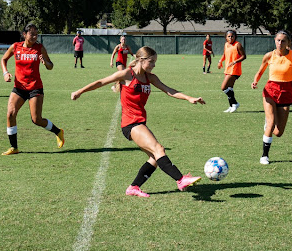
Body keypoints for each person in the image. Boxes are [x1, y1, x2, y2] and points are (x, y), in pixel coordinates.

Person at [71, 46, 204, 197]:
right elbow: (101, 82)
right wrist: (79, 91)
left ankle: (133, 187)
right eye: (152, 62)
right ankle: (180, 180)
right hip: (131, 123)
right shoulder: (127, 74)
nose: (154, 65)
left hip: (139, 121)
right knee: (158, 149)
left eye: (155, 62)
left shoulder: (150, 77)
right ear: (141, 60)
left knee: (155, 158)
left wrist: (189, 98)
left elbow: (169, 90)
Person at [0, 23, 65, 155]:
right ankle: (14, 147)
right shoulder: (16, 47)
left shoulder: (39, 48)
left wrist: (45, 62)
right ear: (24, 34)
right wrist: (5, 73)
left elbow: (50, 66)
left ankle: (58, 132)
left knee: (36, 120)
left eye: (36, 34)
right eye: (32, 33)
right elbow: (4, 59)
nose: (35, 36)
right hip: (19, 87)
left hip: (35, 88)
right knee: (10, 114)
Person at [251, 31, 292, 165]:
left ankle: (268, 127)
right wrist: (255, 81)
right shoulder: (269, 56)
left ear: (288, 43)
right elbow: (260, 71)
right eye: (278, 40)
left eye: (283, 41)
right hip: (270, 91)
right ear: (274, 41)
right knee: (270, 123)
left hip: (286, 92)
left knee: (278, 132)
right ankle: (264, 156)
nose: (280, 43)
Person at [217, 30, 246, 112]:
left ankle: (235, 103)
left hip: (235, 70)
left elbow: (244, 56)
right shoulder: (226, 45)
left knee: (223, 87)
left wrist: (235, 61)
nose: (230, 38)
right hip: (228, 69)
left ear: (235, 37)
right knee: (230, 88)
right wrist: (220, 61)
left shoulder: (238, 45)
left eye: (232, 36)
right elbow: (224, 54)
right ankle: (232, 105)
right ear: (226, 37)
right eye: (229, 36)